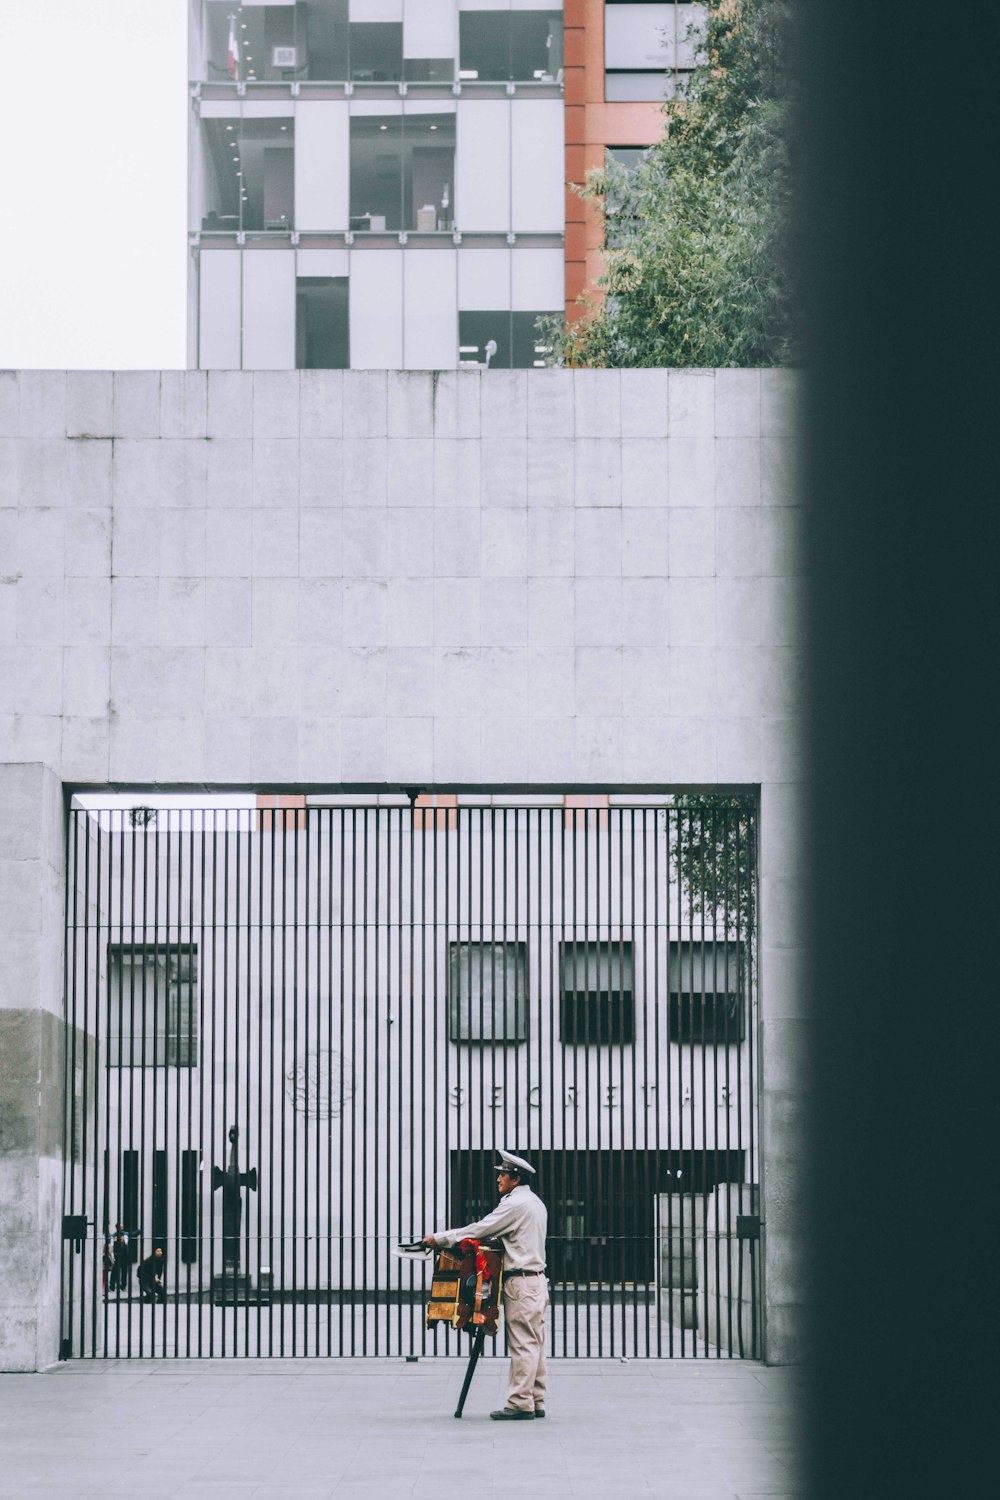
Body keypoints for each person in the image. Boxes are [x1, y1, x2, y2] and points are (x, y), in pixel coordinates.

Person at [423, 1149, 548, 1421]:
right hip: (538, 1280)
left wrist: (440, 1238)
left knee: (523, 1343)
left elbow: (480, 1229)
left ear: (515, 1178)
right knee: (535, 1342)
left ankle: (520, 1403)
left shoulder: (514, 1204)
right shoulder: (536, 1203)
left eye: (502, 1175)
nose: (498, 1180)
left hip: (521, 1282)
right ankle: (536, 1399)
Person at [109, 1223, 130, 1294]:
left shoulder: (126, 1234)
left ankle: (123, 1286)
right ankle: (112, 1286)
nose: (122, 1228)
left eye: (122, 1227)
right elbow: (111, 1246)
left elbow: (127, 1241)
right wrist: (112, 1256)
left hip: (125, 1256)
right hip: (117, 1256)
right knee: (115, 1271)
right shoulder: (114, 1235)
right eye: (120, 1227)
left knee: (124, 1271)